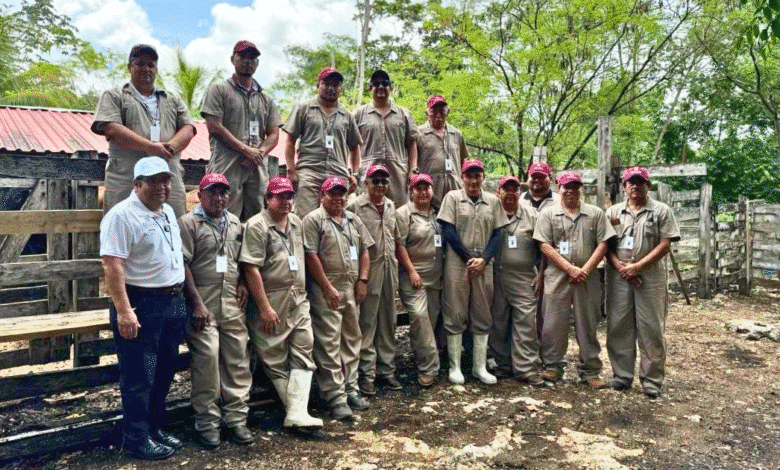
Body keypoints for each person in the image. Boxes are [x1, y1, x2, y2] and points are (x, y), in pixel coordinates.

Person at [100, 156, 187, 460]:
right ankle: (135, 438)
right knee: (139, 376)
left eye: (167, 180)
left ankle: (154, 428)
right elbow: (112, 264)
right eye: (154, 181)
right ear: (137, 184)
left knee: (163, 371)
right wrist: (124, 310)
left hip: (171, 300)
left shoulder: (168, 212)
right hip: (142, 303)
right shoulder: (121, 215)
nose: (163, 186)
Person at [241, 177, 323, 428]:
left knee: (304, 344)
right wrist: (264, 307)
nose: (287, 201)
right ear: (267, 199)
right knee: (273, 355)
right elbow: (251, 268)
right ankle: (296, 412)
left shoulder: (296, 223)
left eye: (289, 197)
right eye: (280, 197)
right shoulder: (256, 226)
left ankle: (297, 412)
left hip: (297, 296)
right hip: (270, 297)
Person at [179, 173, 251, 448]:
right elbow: (183, 265)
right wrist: (196, 303)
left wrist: (243, 282)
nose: (218, 198)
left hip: (232, 300)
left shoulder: (235, 223)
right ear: (200, 195)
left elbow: (242, 258)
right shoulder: (189, 223)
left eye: (223, 193)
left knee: (237, 359)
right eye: (212, 193)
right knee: (207, 360)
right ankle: (207, 423)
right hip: (204, 300)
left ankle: (237, 420)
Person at [92, 44, 196, 218]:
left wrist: (169, 148)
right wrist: (149, 147)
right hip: (127, 178)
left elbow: (189, 128)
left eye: (151, 65)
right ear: (129, 67)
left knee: (173, 225)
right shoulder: (114, 96)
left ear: (156, 69)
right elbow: (110, 126)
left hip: (167, 177)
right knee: (122, 226)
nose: (146, 69)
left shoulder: (173, 99)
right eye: (140, 64)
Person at [533, 171, 616, 388]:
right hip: (557, 276)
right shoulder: (548, 214)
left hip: (587, 278)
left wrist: (586, 268)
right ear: (559, 188)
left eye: (575, 186)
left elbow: (604, 243)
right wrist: (569, 268)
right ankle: (552, 366)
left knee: (587, 322)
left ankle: (590, 370)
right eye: (566, 186)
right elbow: (544, 245)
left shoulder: (596, 213)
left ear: (581, 188)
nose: (570, 190)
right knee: (553, 322)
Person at [605, 167, 680, 398]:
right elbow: (606, 246)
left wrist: (638, 267)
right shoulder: (614, 212)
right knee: (619, 325)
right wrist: (621, 267)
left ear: (648, 185)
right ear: (624, 186)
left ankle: (652, 380)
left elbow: (665, 244)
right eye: (631, 182)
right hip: (619, 277)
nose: (635, 186)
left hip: (651, 278)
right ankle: (621, 375)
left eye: (640, 182)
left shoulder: (660, 211)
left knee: (652, 327)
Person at [303, 177, 373, 420]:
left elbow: (365, 249)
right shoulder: (314, 220)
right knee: (329, 343)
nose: (338, 198)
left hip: (351, 286)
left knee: (352, 340)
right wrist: (326, 287)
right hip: (327, 288)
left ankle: (351, 388)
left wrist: (363, 280)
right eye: (332, 194)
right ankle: (335, 396)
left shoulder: (353, 219)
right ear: (322, 195)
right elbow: (311, 255)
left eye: (342, 194)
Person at [437, 159, 509, 385]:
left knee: (482, 311)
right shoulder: (452, 198)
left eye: (477, 175)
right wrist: (469, 259)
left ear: (483, 177)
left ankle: (479, 367)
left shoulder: (493, 202)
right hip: (458, 263)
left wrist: (484, 259)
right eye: (469, 175)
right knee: (455, 311)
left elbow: (498, 233)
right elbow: (447, 230)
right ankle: (455, 367)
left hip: (484, 264)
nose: (473, 180)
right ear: (462, 177)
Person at [201, 40, 282, 220]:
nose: (248, 61)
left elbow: (274, 134)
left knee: (258, 217)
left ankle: (253, 249)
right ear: (232, 59)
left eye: (252, 57)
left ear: (257, 63)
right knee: (224, 214)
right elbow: (214, 126)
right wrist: (246, 151)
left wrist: (258, 153)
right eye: (242, 56)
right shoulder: (219, 89)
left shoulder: (265, 99)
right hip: (228, 163)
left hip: (257, 166)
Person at [346, 164, 402, 395]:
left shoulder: (391, 206)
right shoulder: (355, 206)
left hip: (390, 267)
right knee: (367, 322)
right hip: (369, 269)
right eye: (375, 180)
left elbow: (396, 238)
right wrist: (361, 277)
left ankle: (387, 371)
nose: (380, 185)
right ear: (365, 182)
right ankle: (366, 374)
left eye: (383, 181)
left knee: (389, 321)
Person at [489, 175, 545, 386]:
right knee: (498, 321)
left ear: (519, 192)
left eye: (514, 189)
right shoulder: (491, 213)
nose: (510, 193)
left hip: (523, 276)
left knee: (525, 322)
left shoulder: (531, 214)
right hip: (495, 274)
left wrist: (541, 274)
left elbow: (544, 246)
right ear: (499, 192)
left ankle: (526, 368)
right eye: (506, 189)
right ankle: (502, 364)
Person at [283, 67, 362, 217]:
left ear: (341, 89)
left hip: (337, 173)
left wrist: (355, 173)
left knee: (336, 219)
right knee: (305, 218)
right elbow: (290, 141)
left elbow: (355, 147)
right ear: (318, 85)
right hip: (309, 172)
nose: (331, 88)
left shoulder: (347, 115)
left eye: (336, 85)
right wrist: (291, 170)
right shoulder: (304, 108)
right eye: (327, 84)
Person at [396, 173, 443, 387]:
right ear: (411, 191)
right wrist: (411, 270)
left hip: (437, 276)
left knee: (428, 322)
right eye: (418, 188)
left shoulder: (438, 212)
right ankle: (429, 368)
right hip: (414, 276)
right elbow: (400, 245)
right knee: (420, 317)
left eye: (426, 188)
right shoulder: (404, 213)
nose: (423, 192)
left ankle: (422, 358)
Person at [353, 70, 419, 207]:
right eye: (376, 84)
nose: (381, 87)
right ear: (370, 89)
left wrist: (413, 170)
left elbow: (412, 143)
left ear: (391, 88)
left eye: (385, 83)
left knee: (399, 212)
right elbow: (351, 146)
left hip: (397, 174)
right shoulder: (358, 114)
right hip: (368, 172)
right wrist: (353, 171)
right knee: (366, 211)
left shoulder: (404, 114)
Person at [519, 161, 560, 342]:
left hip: (552, 263)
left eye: (541, 177)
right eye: (533, 177)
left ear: (549, 178)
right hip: (523, 263)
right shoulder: (519, 199)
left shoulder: (559, 201)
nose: (537, 181)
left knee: (549, 312)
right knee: (525, 312)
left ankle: (548, 354)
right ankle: (526, 351)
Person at [416, 94, 468, 206]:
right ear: (427, 113)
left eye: (442, 111)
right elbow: (412, 163)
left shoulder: (457, 134)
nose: (438, 115)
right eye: (434, 111)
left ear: (447, 112)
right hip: (429, 192)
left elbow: (464, 163)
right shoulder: (418, 134)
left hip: (455, 191)